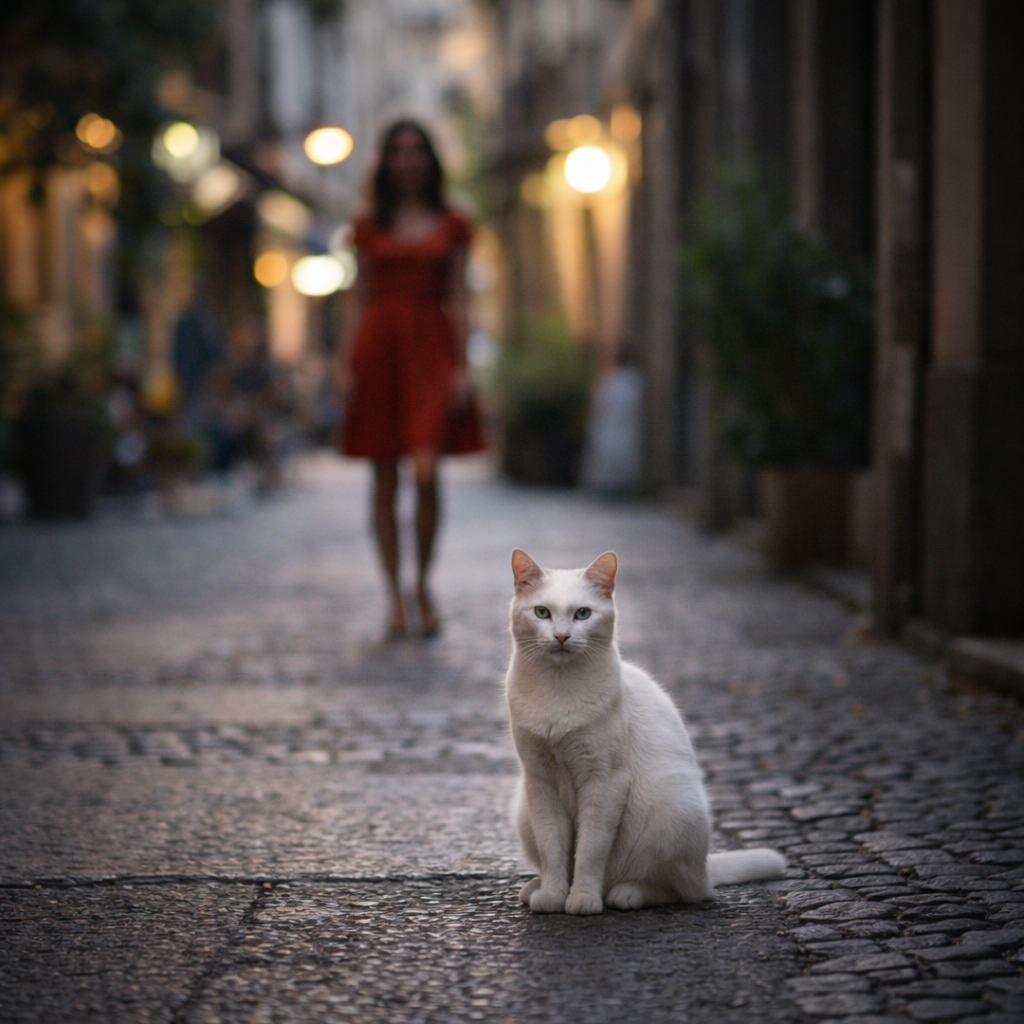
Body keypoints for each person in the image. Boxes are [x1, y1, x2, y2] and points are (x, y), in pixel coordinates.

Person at [335, 119, 485, 639]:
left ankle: (422, 582)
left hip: (430, 349)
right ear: (386, 161)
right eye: (397, 151)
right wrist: (344, 365)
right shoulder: (366, 224)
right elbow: (357, 298)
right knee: (382, 477)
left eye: (416, 150)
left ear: (430, 159)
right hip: (377, 350)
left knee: (426, 471)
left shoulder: (453, 222)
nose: (407, 160)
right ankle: (393, 596)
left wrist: (462, 366)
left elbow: (462, 298)